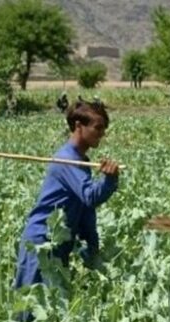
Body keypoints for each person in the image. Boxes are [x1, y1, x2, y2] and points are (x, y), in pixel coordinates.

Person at [13, 100, 119, 300]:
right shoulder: (65, 160)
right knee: (31, 310)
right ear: (79, 126)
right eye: (98, 127)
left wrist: (92, 246)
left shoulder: (81, 162)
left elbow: (85, 211)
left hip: (59, 243)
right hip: (41, 243)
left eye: (104, 129)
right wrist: (109, 180)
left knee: (55, 310)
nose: (102, 134)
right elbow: (90, 196)